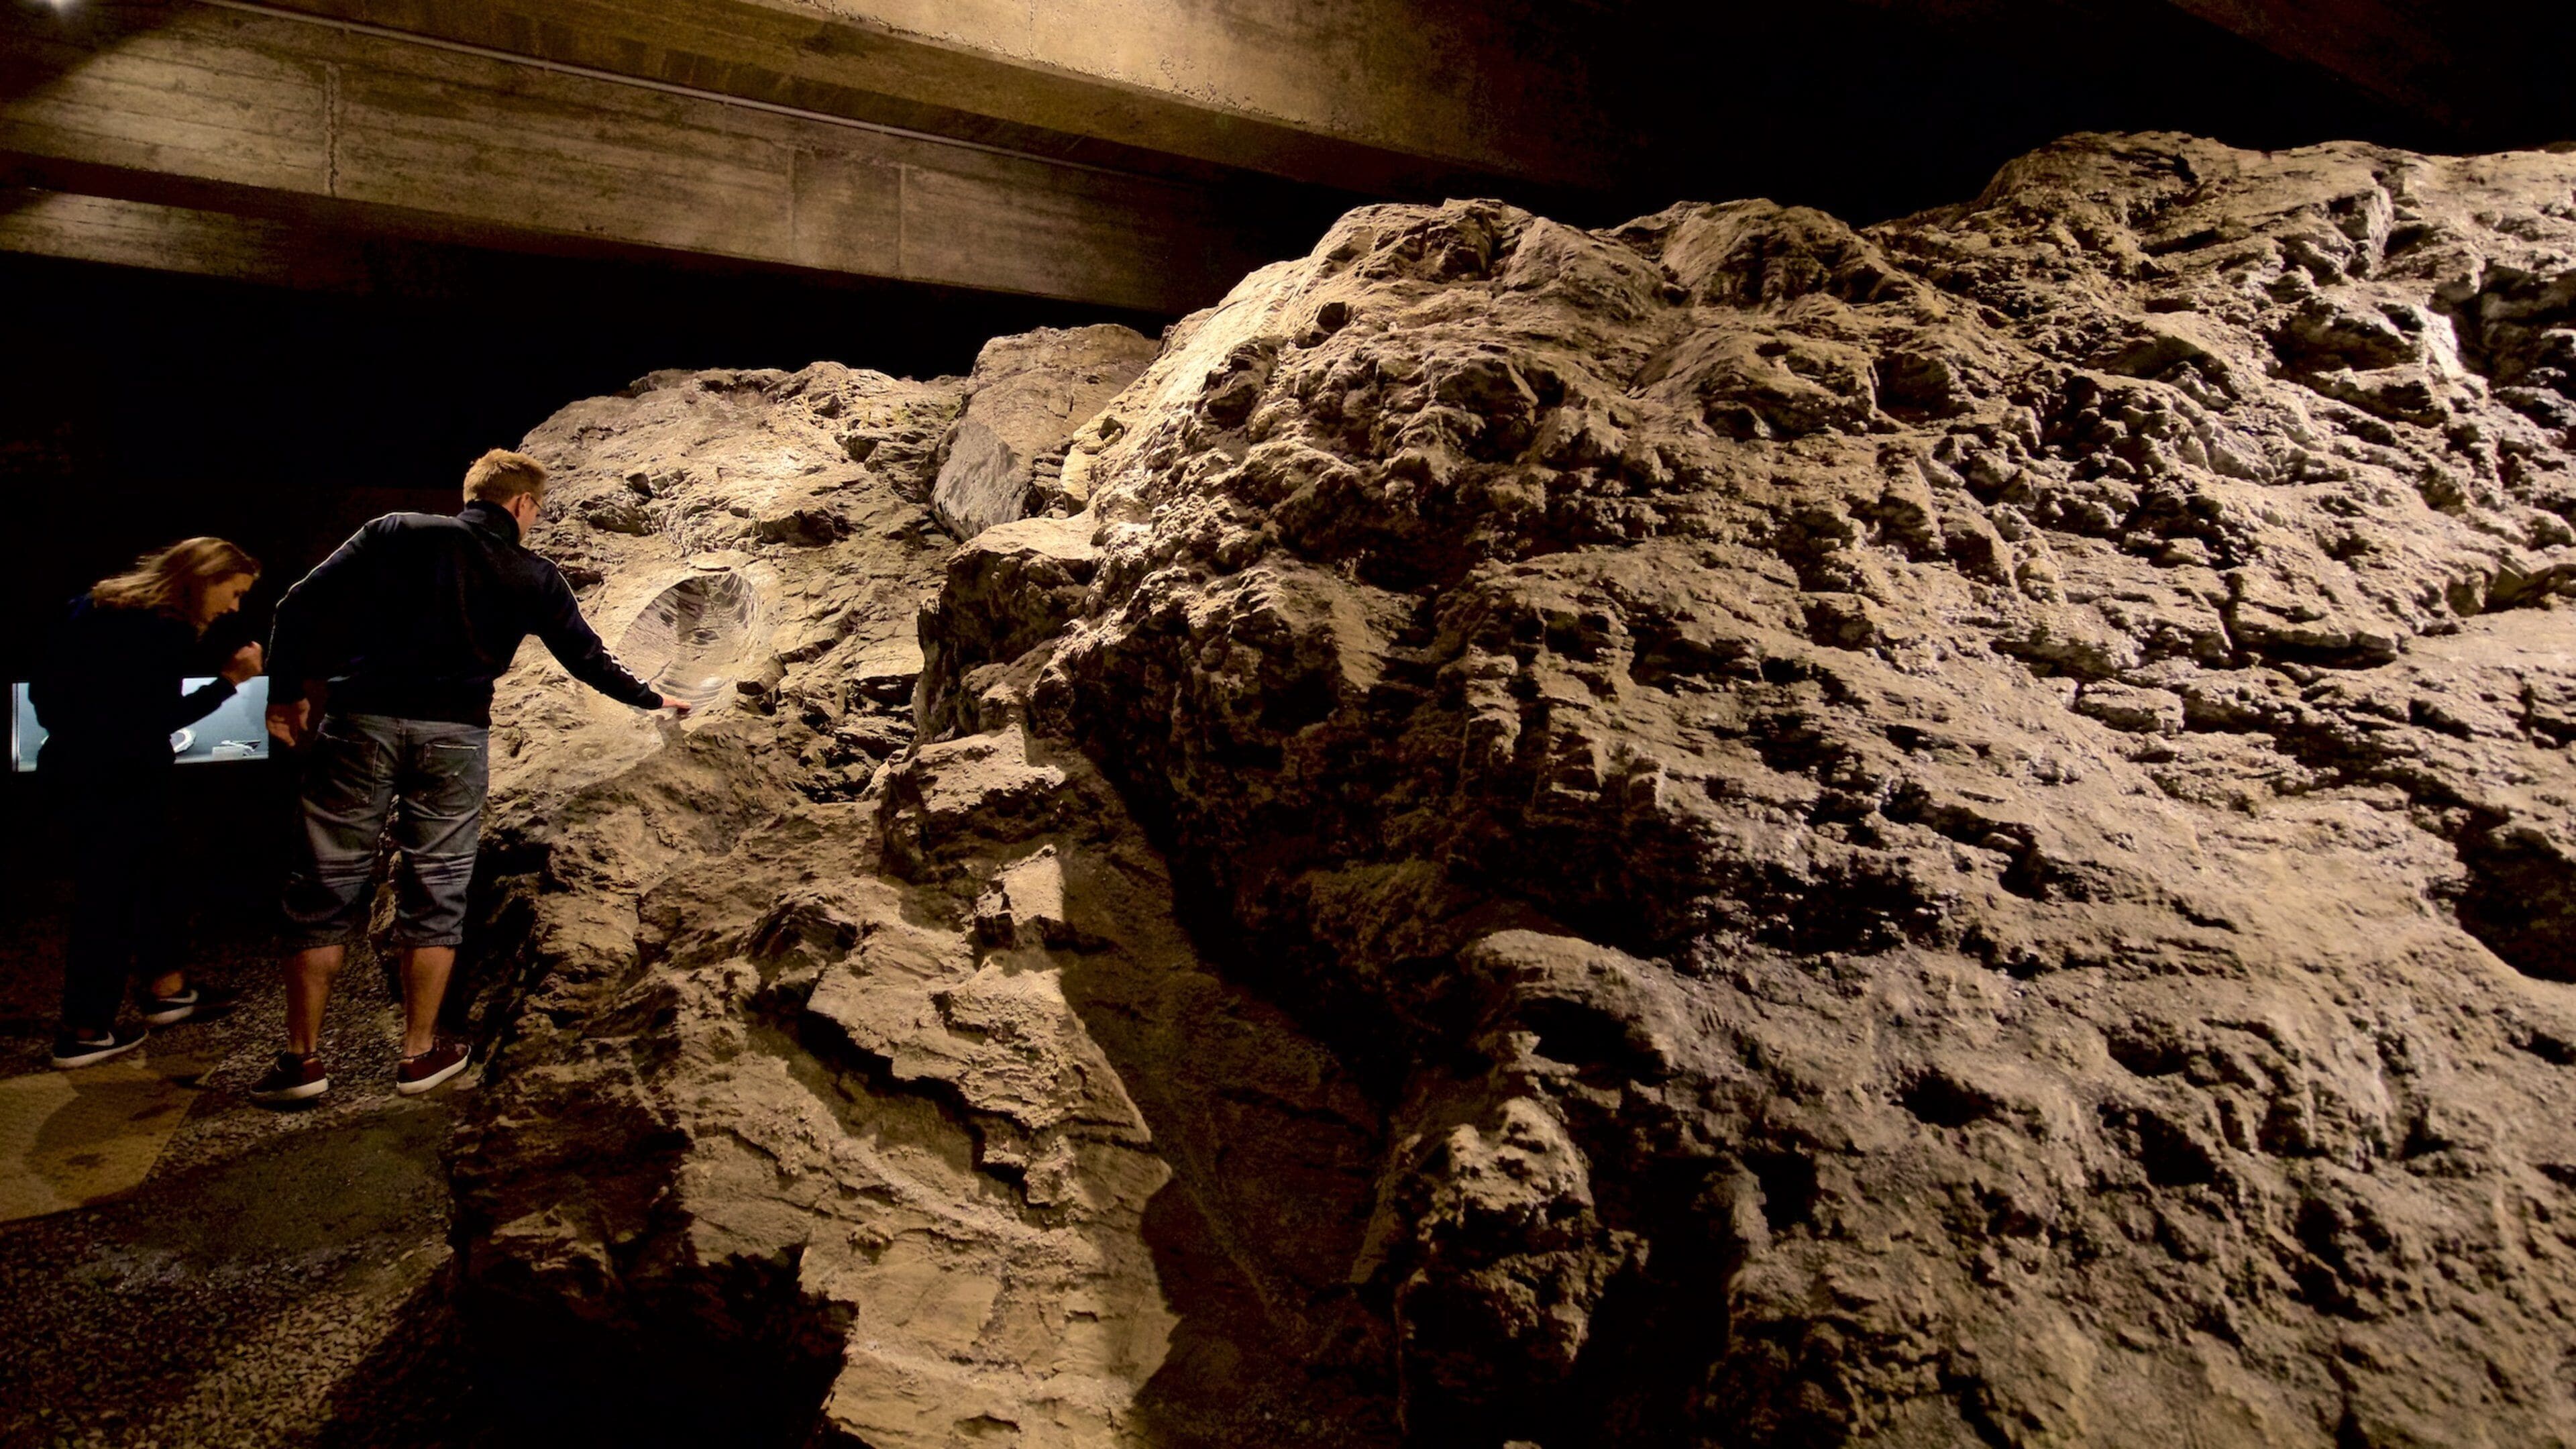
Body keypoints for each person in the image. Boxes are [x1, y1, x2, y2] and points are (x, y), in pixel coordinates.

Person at [249, 449, 688, 1106]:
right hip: (455, 738)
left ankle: (301, 1061)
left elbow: (296, 604)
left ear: (474, 495)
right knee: (437, 890)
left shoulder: (394, 530)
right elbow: (587, 657)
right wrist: (655, 700)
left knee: (322, 887)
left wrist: (285, 695)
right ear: (522, 505)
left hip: (361, 723)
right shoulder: (534, 574)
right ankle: (418, 1054)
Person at [32, 538, 266, 1069]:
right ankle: (85, 1029)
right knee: (108, 901)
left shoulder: (96, 604)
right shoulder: (163, 630)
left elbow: (47, 690)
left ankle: (168, 988)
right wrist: (231, 682)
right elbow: (154, 718)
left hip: (71, 767)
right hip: (121, 780)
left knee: (159, 875)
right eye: (233, 593)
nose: (233, 608)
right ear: (203, 579)